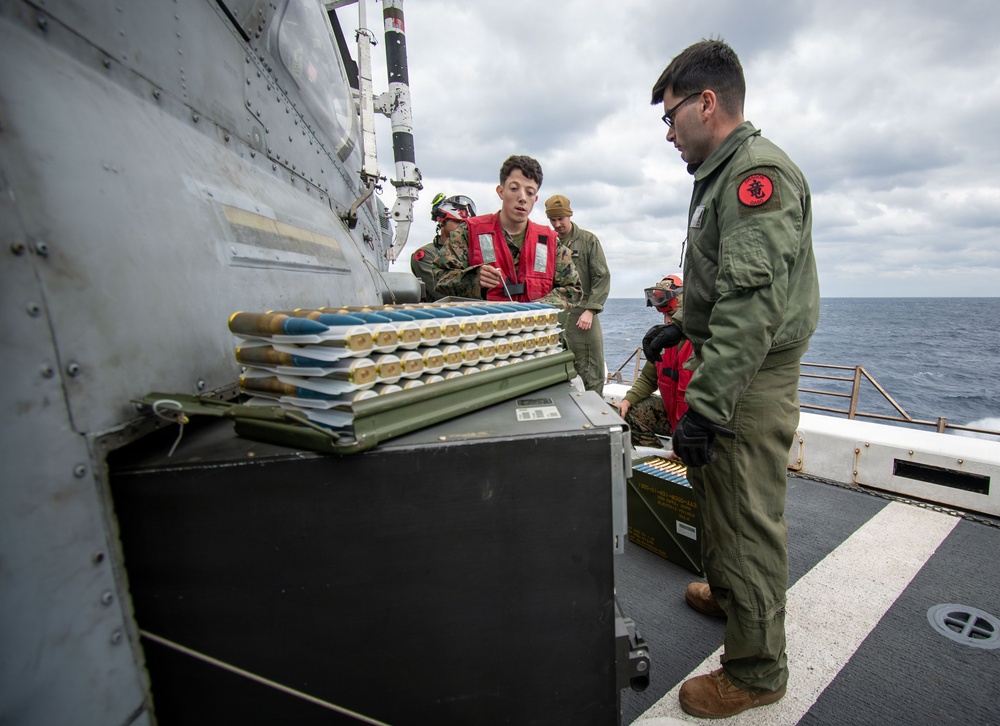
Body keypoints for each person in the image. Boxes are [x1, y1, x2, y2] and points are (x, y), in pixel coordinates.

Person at [646, 39, 820, 719]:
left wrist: (708, 406)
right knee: (717, 496)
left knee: (746, 517)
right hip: (727, 364)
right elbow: (723, 283)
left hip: (747, 378)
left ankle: (756, 671)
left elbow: (752, 305)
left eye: (671, 116)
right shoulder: (719, 176)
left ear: (707, 103)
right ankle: (731, 594)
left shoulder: (755, 175)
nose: (668, 133)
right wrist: (682, 327)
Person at [434, 155, 582, 310]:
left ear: (535, 198)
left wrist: (539, 308)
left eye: (530, 192)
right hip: (485, 324)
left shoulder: (549, 241)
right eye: (514, 189)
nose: (522, 198)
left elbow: (573, 290)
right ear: (501, 191)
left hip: (535, 325)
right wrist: (474, 279)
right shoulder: (469, 232)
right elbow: (440, 277)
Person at [613, 276, 692, 448]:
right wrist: (626, 402)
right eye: (664, 315)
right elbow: (648, 378)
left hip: (698, 421)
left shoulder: (702, 343)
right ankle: (659, 457)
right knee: (631, 414)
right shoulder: (665, 340)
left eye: (672, 315)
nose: (667, 321)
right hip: (672, 414)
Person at [545, 195, 611, 397]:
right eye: (553, 220)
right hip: (554, 316)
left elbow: (602, 276)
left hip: (583, 315)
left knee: (591, 369)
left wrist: (591, 310)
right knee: (554, 369)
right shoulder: (546, 242)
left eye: (561, 219)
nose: (557, 224)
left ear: (569, 215)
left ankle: (595, 411)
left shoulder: (588, 241)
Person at [410, 193, 477, 302]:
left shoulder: (476, 251)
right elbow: (443, 293)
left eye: (466, 224)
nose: (463, 227)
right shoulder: (427, 255)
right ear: (441, 220)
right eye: (457, 222)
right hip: (444, 310)